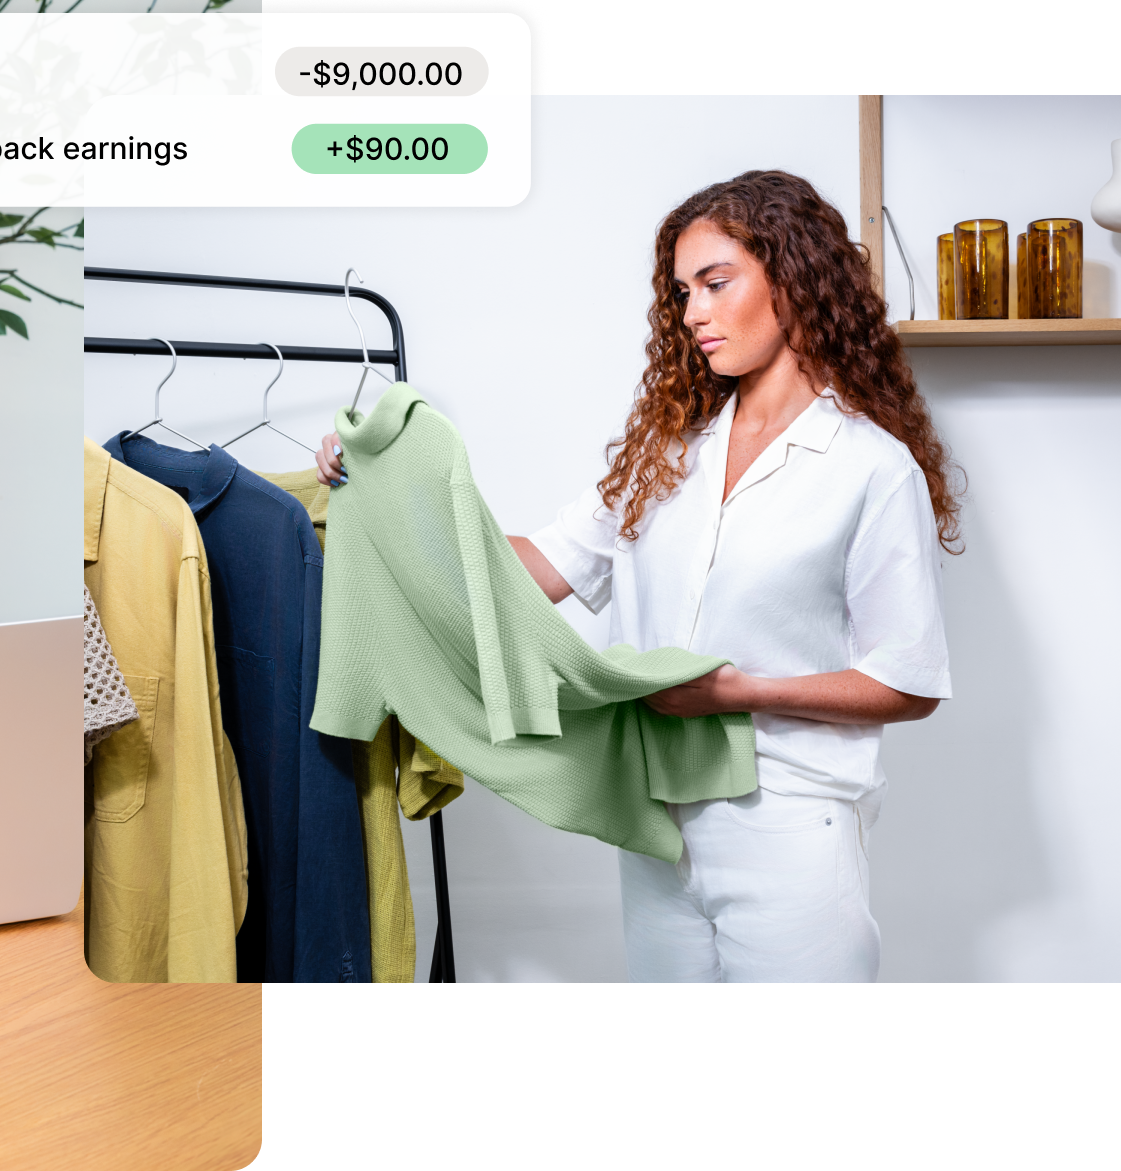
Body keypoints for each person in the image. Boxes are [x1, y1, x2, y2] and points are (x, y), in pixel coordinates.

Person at [317, 170, 956, 982]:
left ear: (793, 279)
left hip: (789, 821)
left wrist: (736, 693)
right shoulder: (670, 455)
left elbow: (908, 683)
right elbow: (530, 572)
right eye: (683, 292)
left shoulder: (870, 468)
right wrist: (384, 481)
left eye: (716, 284)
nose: (692, 314)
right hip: (656, 817)